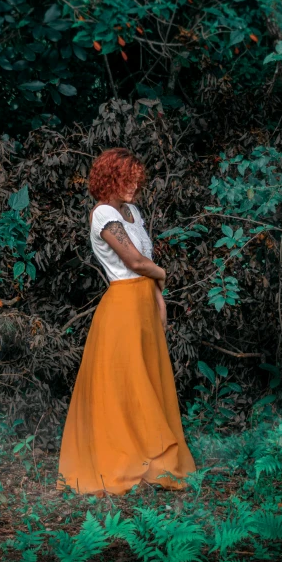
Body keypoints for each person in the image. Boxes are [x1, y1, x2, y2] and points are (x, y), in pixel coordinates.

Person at [56, 147, 196, 496]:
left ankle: (149, 461)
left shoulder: (131, 212)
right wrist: (163, 276)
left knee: (147, 380)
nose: (133, 186)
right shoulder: (103, 213)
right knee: (127, 386)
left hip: (145, 304)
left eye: (136, 179)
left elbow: (143, 259)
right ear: (109, 179)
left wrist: (159, 300)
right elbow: (135, 262)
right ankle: (124, 463)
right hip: (122, 307)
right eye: (126, 179)